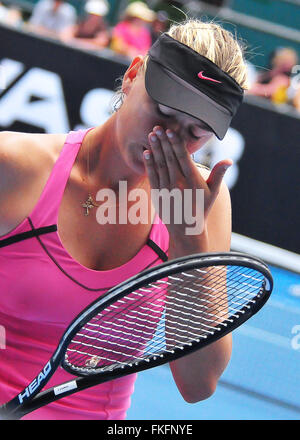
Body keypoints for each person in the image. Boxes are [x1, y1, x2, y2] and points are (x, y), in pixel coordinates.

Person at [0, 18, 248, 420]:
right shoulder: (14, 165)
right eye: (163, 110)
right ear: (132, 76)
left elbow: (198, 384)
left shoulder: (205, 204)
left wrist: (188, 238)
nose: (166, 138)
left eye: (195, 132)